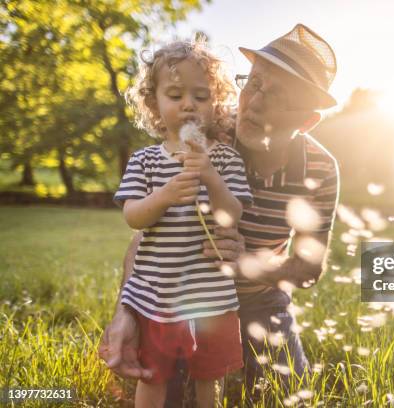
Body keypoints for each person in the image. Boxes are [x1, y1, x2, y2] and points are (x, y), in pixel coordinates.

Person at [99, 23, 339, 405]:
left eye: (277, 96)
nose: (255, 102)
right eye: (254, 83)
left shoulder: (320, 170)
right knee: (166, 390)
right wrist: (126, 310)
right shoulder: (204, 130)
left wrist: (248, 265)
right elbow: (148, 233)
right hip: (181, 295)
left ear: (306, 121)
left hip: (261, 300)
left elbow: (308, 269)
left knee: (289, 395)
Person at [107, 38, 253, 408]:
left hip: (212, 296)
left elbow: (232, 214)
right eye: (175, 94)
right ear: (154, 102)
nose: (189, 104)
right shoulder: (146, 161)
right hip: (158, 293)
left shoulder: (225, 160)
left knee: (210, 375)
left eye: (200, 96)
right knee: (153, 374)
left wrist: (211, 178)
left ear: (214, 103)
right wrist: (165, 196)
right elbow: (132, 215)